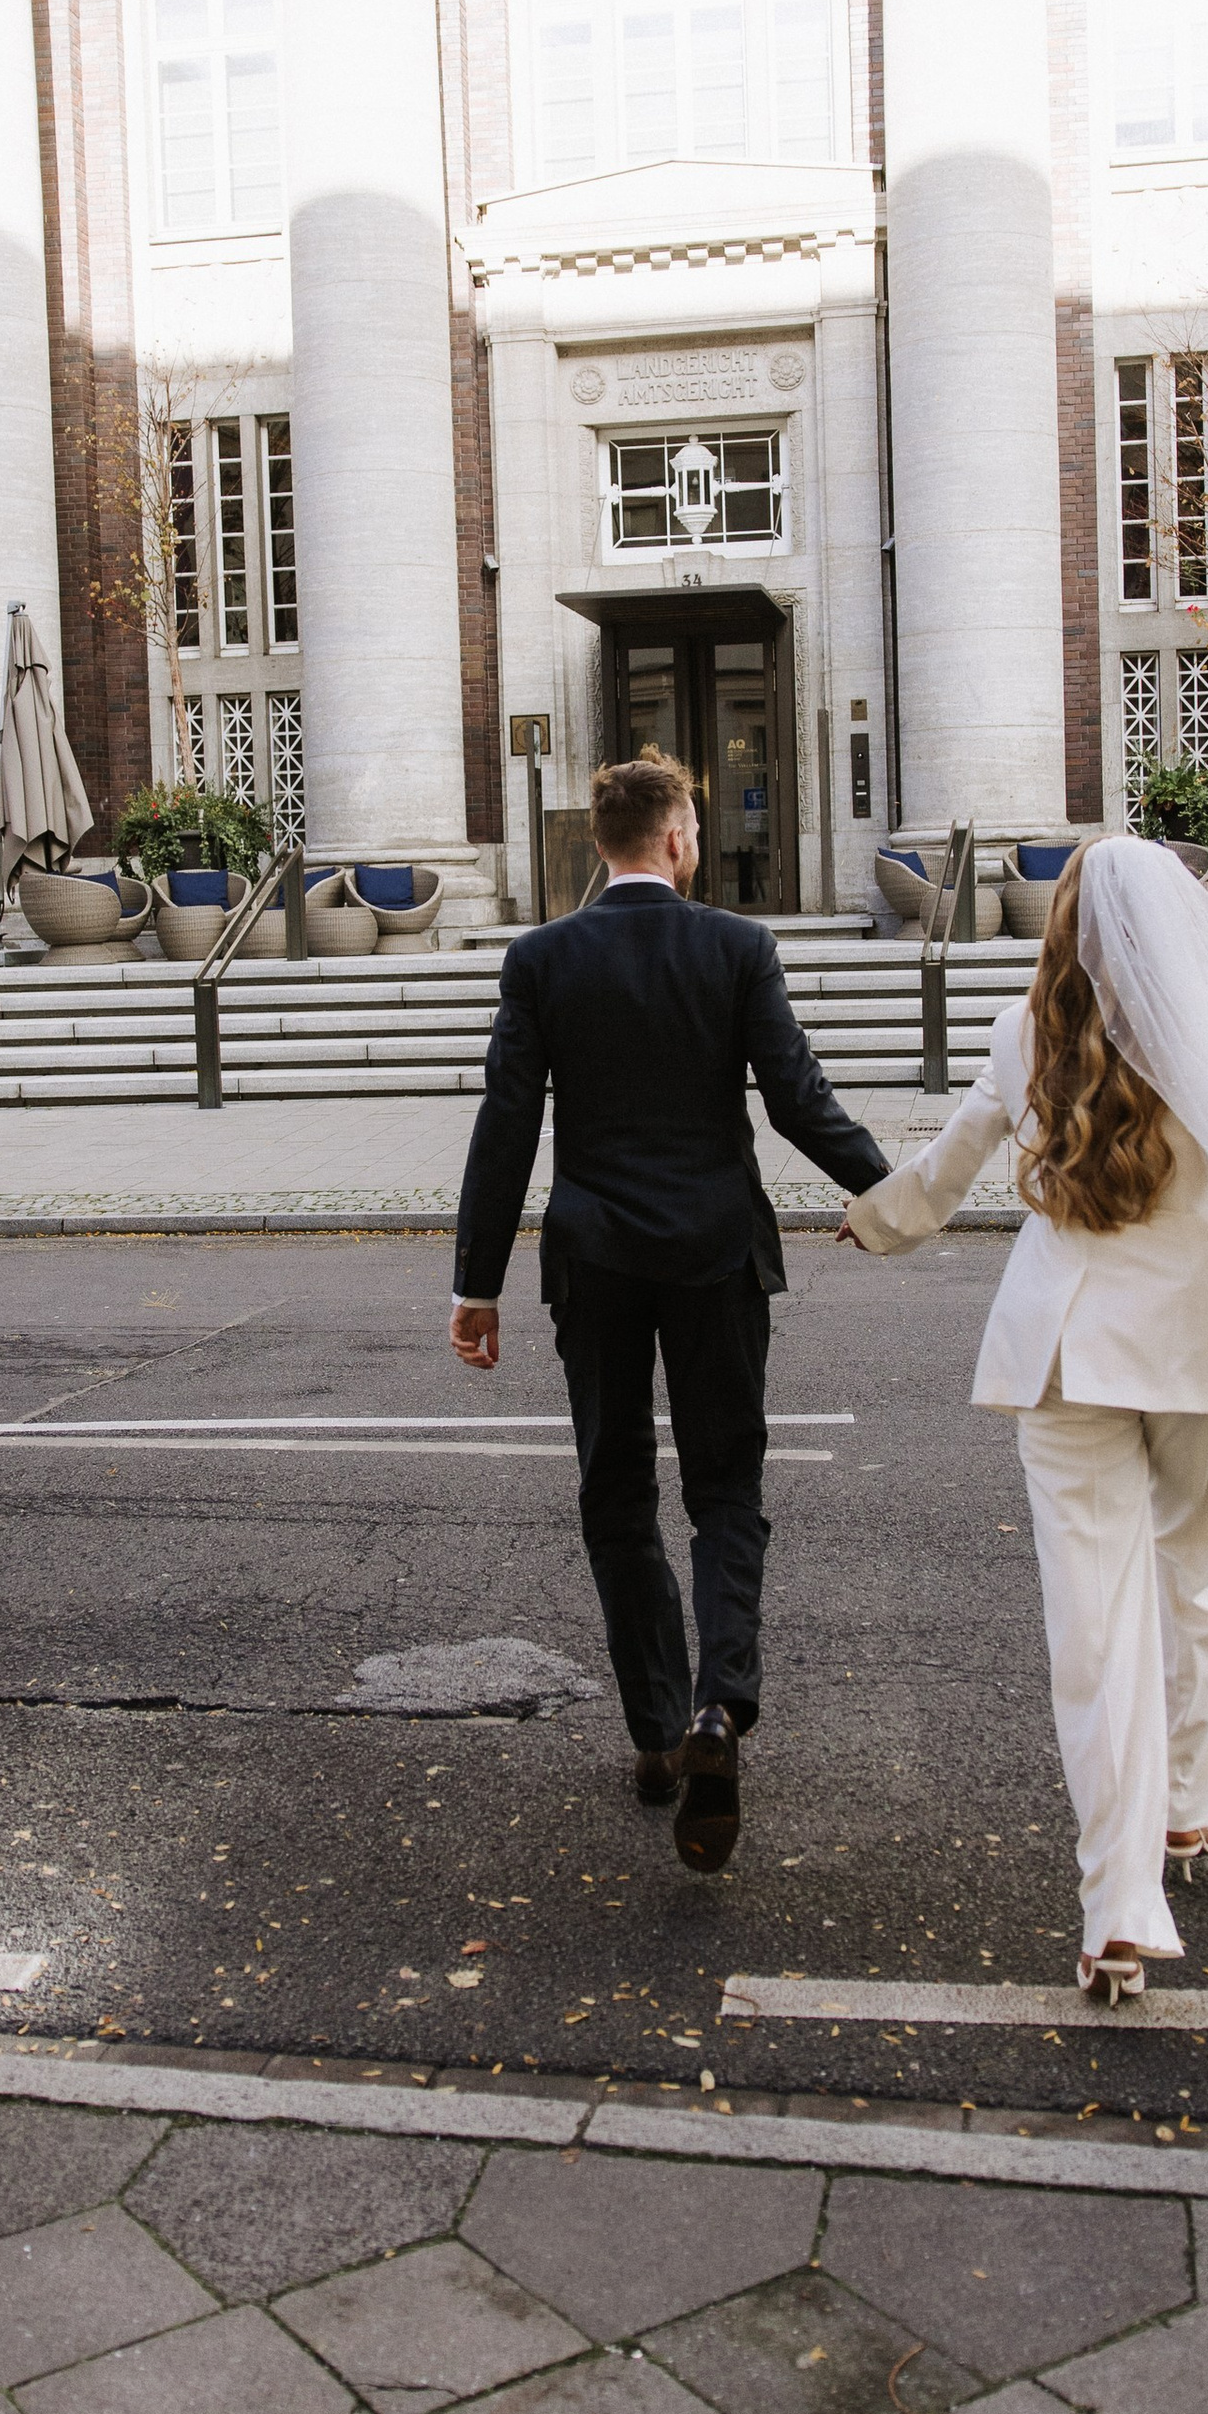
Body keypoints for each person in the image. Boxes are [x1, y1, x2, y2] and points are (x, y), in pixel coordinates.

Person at [840, 834, 1208, 2003]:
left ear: (1059, 928)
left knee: (1092, 1632)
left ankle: (1117, 1909)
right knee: (1202, 1573)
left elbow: (946, 1169)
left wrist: (875, 1222)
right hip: (1200, 1344)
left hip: (1064, 1348)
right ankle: (1190, 1807)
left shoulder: (1021, 1033)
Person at [451, 751, 891, 1872]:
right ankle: (718, 1706)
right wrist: (893, 1195)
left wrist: (476, 1282)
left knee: (615, 1492)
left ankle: (654, 1732)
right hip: (712, 1252)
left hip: (595, 1257)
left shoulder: (540, 957)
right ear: (680, 839)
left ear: (603, 846)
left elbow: (507, 1124)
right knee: (726, 1489)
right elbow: (797, 1100)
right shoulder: (735, 948)